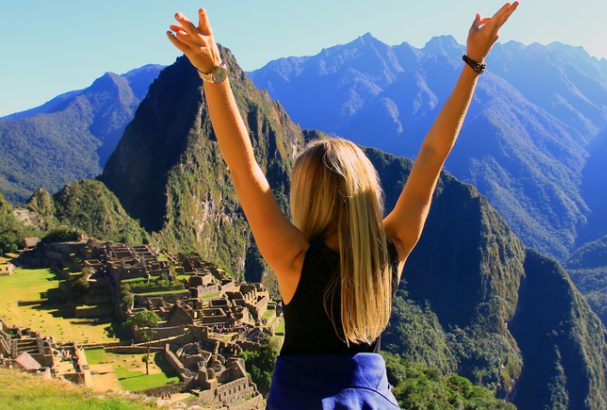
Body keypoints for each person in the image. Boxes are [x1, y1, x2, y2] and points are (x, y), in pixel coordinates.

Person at [166, 2, 518, 409]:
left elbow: (244, 167)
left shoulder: (293, 259)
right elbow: (434, 153)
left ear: (305, 197)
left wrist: (213, 74)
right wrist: (474, 61)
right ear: (368, 190)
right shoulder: (391, 250)